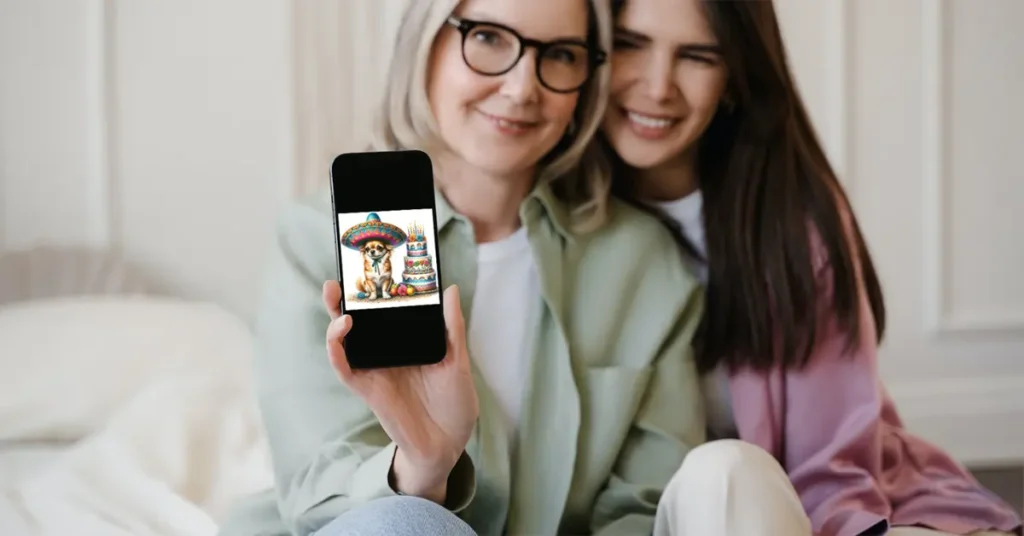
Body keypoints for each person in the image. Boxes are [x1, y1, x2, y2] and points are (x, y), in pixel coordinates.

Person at [217, 0, 710, 535]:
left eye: (561, 54)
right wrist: (425, 465)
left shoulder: (642, 264)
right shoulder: (317, 242)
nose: (523, 88)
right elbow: (315, 496)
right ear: (425, 47)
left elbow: (647, 509)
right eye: (488, 38)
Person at [599, 0, 1024, 535]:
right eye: (631, 44)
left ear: (734, 76)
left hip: (804, 507)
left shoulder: (792, 223)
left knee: (727, 472)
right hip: (659, 514)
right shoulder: (558, 223)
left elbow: (831, 470)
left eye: (699, 56)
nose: (659, 86)